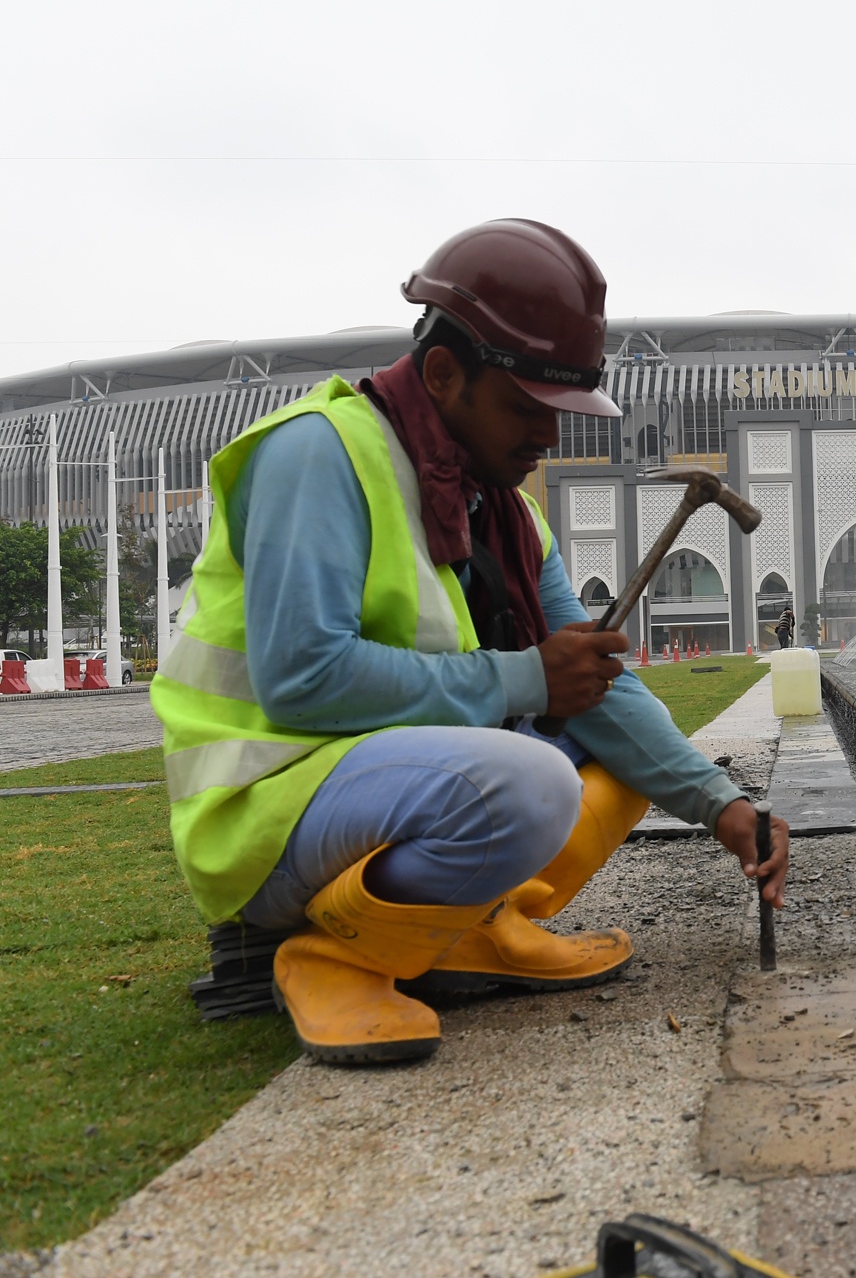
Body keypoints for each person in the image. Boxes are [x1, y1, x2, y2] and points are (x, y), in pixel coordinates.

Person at [153, 219, 790, 1066]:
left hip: (377, 795)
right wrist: (525, 677)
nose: (548, 438)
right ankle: (333, 953)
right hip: (265, 810)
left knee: (622, 759)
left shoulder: (506, 511)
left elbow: (591, 679)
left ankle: (471, 930)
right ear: (444, 373)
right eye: (526, 408)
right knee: (530, 781)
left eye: (561, 412)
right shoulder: (320, 455)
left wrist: (724, 805)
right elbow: (302, 677)